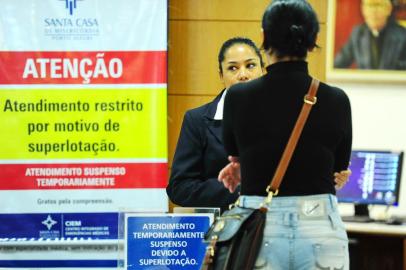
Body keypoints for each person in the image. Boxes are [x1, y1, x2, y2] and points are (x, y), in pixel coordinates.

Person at [219, 1, 352, 269]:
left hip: (259, 225)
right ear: (314, 39)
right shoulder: (337, 99)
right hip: (320, 224)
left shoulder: (238, 97)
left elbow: (234, 152)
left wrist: (243, 166)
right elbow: (338, 167)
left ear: (263, 38)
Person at [167, 36, 351, 213]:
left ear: (263, 69)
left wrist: (332, 175)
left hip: (280, 220)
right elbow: (180, 188)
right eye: (232, 68)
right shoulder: (197, 120)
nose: (243, 75)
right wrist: (246, 189)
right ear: (221, 75)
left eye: (250, 65)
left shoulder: (287, 116)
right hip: (224, 228)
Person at [334, 0, 406, 70]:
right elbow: (337, 66)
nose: (373, 11)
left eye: (378, 5)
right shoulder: (357, 34)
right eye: (369, 5)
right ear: (363, 9)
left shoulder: (402, 35)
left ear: (389, 9)